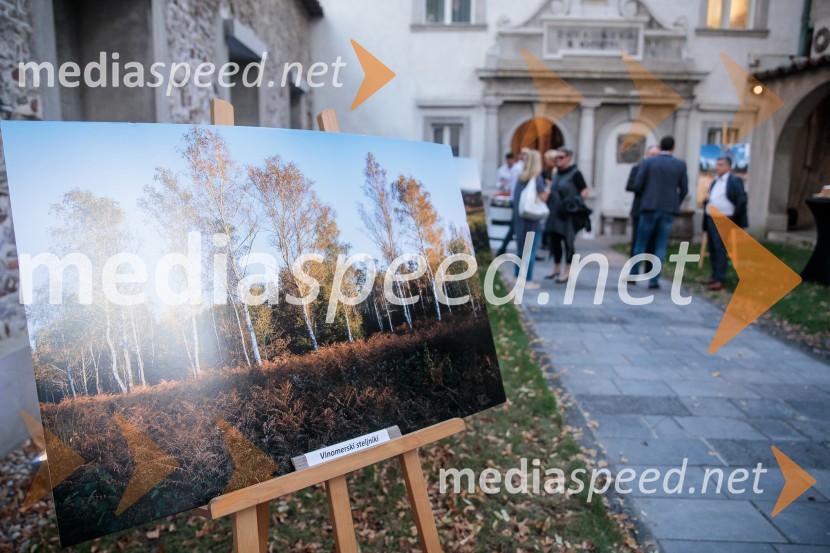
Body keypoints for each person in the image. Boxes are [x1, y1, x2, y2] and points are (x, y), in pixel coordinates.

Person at [629, 136, 689, 289]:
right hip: (668, 209)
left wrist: (647, 196)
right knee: (660, 245)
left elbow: (638, 184)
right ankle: (654, 280)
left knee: (640, 243)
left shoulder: (649, 162)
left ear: (661, 146)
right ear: (673, 148)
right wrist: (675, 203)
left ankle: (633, 274)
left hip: (649, 206)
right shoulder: (680, 164)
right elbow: (684, 189)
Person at [702, 156, 748, 290]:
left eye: (721, 165)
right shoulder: (715, 181)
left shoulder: (734, 180)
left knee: (720, 248)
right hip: (711, 218)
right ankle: (714, 276)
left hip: (724, 218)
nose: (717, 167)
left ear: (728, 167)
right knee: (712, 248)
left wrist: (734, 214)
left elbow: (742, 199)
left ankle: (720, 278)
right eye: (717, 164)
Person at [544, 147, 589, 283]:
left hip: (568, 214)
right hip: (555, 212)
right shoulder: (557, 173)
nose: (558, 160)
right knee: (555, 241)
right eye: (557, 157)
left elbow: (585, 191)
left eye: (561, 157)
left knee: (568, 242)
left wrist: (576, 201)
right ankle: (556, 268)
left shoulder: (575, 173)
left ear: (569, 157)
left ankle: (568, 271)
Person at [512, 149, 548, 289]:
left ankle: (517, 276)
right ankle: (527, 280)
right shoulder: (537, 179)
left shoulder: (521, 177)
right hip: (533, 220)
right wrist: (549, 190)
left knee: (521, 250)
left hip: (520, 218)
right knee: (530, 251)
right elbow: (543, 197)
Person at [626, 145, 660, 258]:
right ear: (646, 155)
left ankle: (649, 267)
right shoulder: (637, 168)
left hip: (654, 210)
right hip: (639, 210)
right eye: (652, 155)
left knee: (652, 244)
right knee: (637, 241)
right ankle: (634, 265)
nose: (654, 158)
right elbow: (629, 186)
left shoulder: (660, 171)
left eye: (657, 155)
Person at [496, 149, 527, 256]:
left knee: (515, 226)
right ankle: (506, 248)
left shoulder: (519, 168)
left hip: (519, 200)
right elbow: (512, 186)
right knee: (517, 226)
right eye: (523, 154)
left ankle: (503, 248)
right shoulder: (518, 168)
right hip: (519, 201)